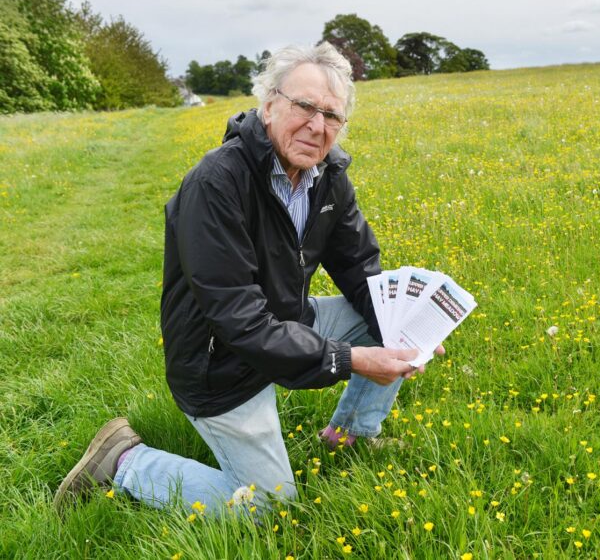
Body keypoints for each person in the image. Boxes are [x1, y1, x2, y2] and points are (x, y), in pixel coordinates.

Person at [54, 42, 441, 512]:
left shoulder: (329, 176)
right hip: (221, 364)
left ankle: (350, 436)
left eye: (332, 116)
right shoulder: (216, 183)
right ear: (269, 102)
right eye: (304, 106)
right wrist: (348, 359)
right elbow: (240, 320)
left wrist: (408, 322)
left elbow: (361, 268)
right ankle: (126, 461)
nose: (317, 126)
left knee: (389, 316)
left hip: (287, 324)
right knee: (268, 508)